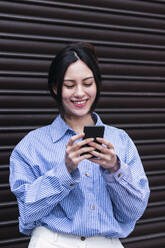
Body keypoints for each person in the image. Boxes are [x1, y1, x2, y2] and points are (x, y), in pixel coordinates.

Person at [9, 42, 150, 248]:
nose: (80, 93)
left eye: (87, 83)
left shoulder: (120, 141)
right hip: (52, 241)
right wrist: (64, 170)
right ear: (56, 88)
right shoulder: (31, 145)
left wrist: (115, 169)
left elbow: (135, 210)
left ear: (97, 84)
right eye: (69, 85)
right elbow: (27, 211)